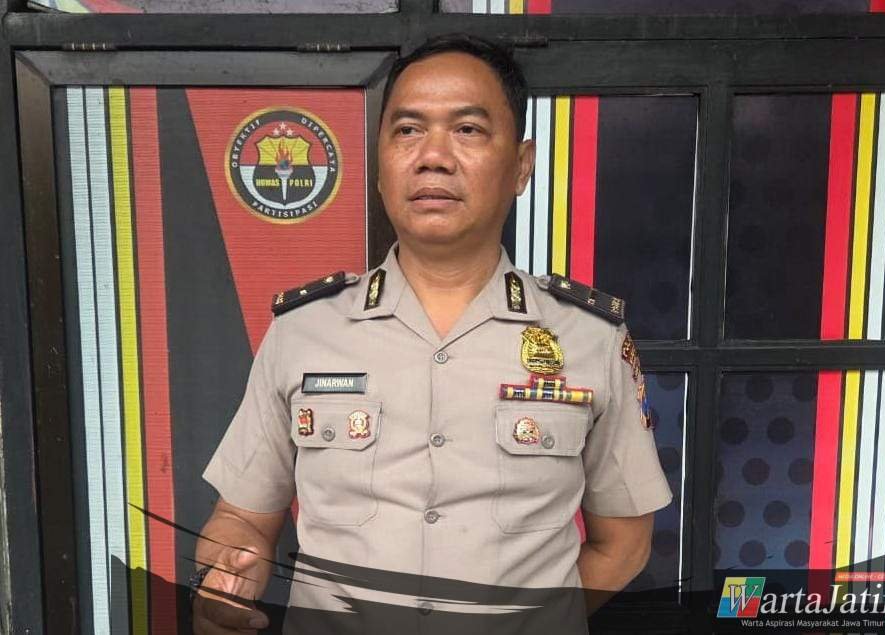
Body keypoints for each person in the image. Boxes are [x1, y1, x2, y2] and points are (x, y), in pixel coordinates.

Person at [192, 33, 672, 635]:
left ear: (521, 165)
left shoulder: (588, 336)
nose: (433, 157)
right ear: (381, 163)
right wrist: (224, 576)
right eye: (408, 130)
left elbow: (623, 542)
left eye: (467, 129)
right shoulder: (305, 331)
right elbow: (241, 518)